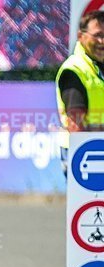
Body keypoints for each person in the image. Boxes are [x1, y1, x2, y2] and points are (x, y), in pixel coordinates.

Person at [57, 11, 104, 173]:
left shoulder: (98, 65)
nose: (102, 41)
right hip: (83, 153)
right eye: (97, 35)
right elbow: (76, 125)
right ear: (80, 36)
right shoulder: (74, 70)